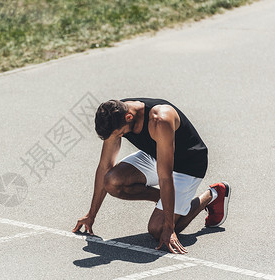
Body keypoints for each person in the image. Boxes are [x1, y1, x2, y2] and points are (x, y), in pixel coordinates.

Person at [72, 97, 231, 254]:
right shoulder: (114, 115)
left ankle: (213, 195)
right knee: (112, 181)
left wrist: (169, 227)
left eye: (120, 134)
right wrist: (91, 214)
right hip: (154, 156)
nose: (119, 137)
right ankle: (169, 203)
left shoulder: (159, 120)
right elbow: (104, 166)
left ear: (129, 117)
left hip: (187, 165)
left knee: (157, 229)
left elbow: (165, 177)